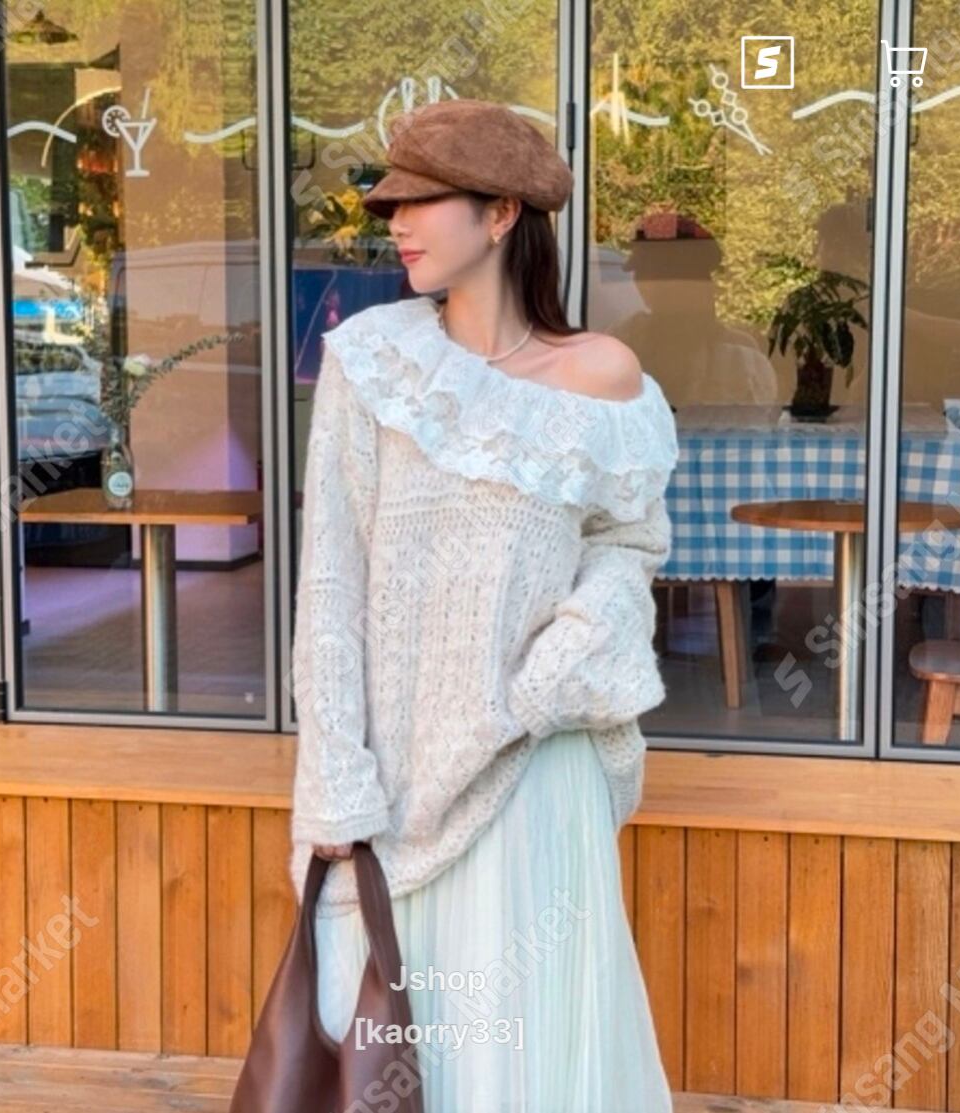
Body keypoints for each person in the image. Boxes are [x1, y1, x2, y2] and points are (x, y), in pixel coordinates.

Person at [288, 98, 679, 1112]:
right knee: (398, 1045)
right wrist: (334, 779)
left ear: (501, 213)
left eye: (422, 202)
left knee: (530, 1047)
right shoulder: (371, 361)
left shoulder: (601, 376)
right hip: (397, 780)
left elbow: (628, 543)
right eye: (390, 205)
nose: (397, 224)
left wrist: (554, 672)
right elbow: (329, 582)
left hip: (534, 768)